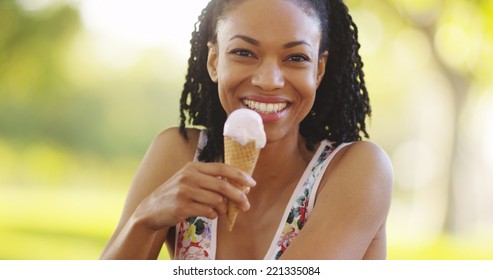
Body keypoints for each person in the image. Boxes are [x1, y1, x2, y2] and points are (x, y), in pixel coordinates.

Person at [100, 0, 393, 260]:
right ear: (214, 61)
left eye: (295, 58)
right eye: (244, 52)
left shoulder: (358, 170)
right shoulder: (178, 154)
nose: (269, 81)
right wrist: (144, 219)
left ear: (318, 69)